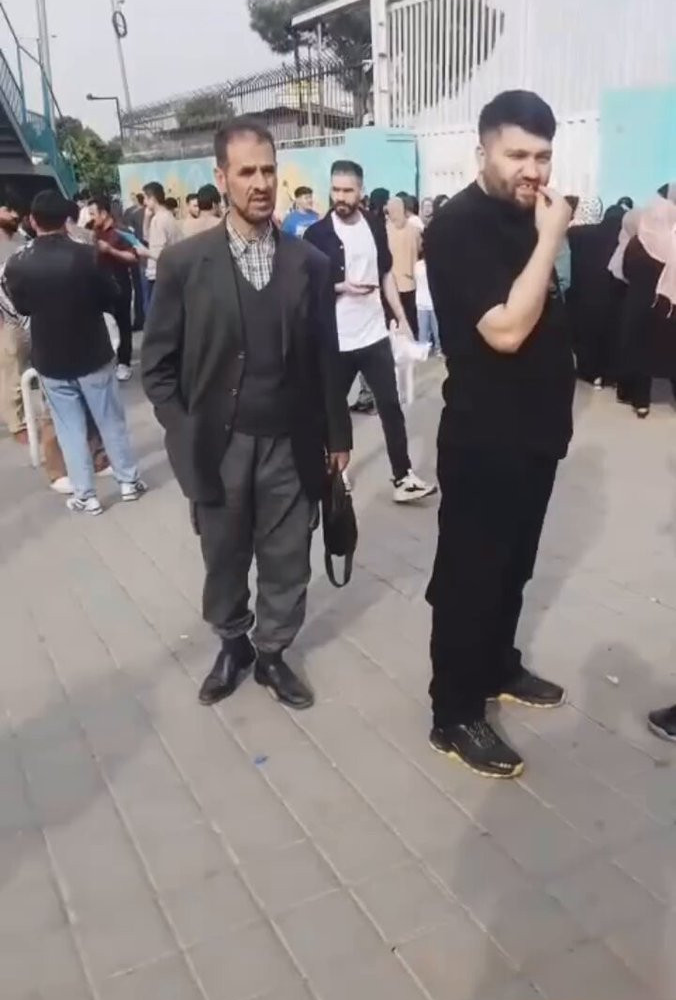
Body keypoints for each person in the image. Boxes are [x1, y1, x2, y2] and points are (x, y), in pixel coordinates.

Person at [142, 118, 350, 711]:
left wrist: (338, 436)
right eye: (246, 172)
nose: (260, 183)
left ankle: (273, 653)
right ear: (221, 176)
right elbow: (157, 367)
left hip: (291, 443)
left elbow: (326, 357)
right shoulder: (185, 264)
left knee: (288, 558)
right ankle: (232, 644)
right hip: (218, 446)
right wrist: (184, 434)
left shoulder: (309, 263)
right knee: (224, 558)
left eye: (268, 170)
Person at [424, 90, 575, 778]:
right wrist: (550, 240)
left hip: (536, 435)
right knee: (470, 579)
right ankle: (453, 712)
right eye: (517, 154)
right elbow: (507, 331)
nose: (533, 170)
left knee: (513, 568)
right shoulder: (460, 227)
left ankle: (496, 666)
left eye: (543, 156)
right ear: (482, 151)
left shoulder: (527, 216)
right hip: (484, 439)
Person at [4, 190, 147, 515]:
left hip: (50, 356)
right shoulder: (87, 255)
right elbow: (111, 295)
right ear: (67, 220)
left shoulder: (18, 263)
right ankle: (128, 481)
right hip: (93, 351)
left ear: (33, 221)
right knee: (109, 419)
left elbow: (22, 307)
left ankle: (86, 494)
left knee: (69, 427)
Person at [305, 161, 436, 503]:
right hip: (337, 339)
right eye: (335, 189)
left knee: (390, 406)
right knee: (333, 409)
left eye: (347, 190)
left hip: (374, 334)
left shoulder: (375, 225)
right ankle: (338, 471)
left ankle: (403, 477)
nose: (340, 197)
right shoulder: (317, 235)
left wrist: (402, 319)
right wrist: (340, 286)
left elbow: (386, 274)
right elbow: (308, 286)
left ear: (360, 191)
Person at [612, 184, 676, 417]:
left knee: (640, 350)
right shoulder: (674, 242)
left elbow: (625, 271)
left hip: (640, 303)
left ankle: (641, 402)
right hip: (669, 306)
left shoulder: (638, 242)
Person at [567, 204, 625, 386]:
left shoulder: (578, 233)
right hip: (614, 297)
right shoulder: (625, 237)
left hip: (582, 294)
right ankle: (609, 374)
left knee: (586, 336)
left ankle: (588, 372)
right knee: (611, 338)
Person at [88, 195, 137, 382]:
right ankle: (108, 360)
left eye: (93, 214)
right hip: (99, 285)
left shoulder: (121, 231)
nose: (91, 218)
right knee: (104, 324)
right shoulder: (93, 233)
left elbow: (134, 257)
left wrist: (110, 250)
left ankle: (124, 362)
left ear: (104, 213)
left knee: (123, 323)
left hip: (119, 283)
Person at [0, 197, 30, 443]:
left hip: (28, 316)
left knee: (24, 370)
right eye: (8, 210)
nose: (14, 215)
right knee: (11, 373)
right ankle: (17, 425)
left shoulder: (22, 241)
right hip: (7, 319)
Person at [386, 194, 420, 337]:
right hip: (411, 281)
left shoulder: (386, 230)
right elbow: (420, 249)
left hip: (392, 283)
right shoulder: (415, 229)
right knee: (411, 316)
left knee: (395, 318)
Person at [142, 181, 179, 306]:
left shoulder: (159, 219)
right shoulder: (167, 216)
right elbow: (148, 238)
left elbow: (160, 254)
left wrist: (145, 252)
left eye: (145, 198)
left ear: (152, 199)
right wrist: (146, 218)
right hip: (164, 274)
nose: (144, 203)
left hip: (158, 275)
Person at [415, 244, 440, 355]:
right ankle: (439, 349)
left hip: (421, 302)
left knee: (423, 330)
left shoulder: (417, 266)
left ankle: (423, 351)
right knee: (437, 329)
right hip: (432, 302)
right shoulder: (434, 265)